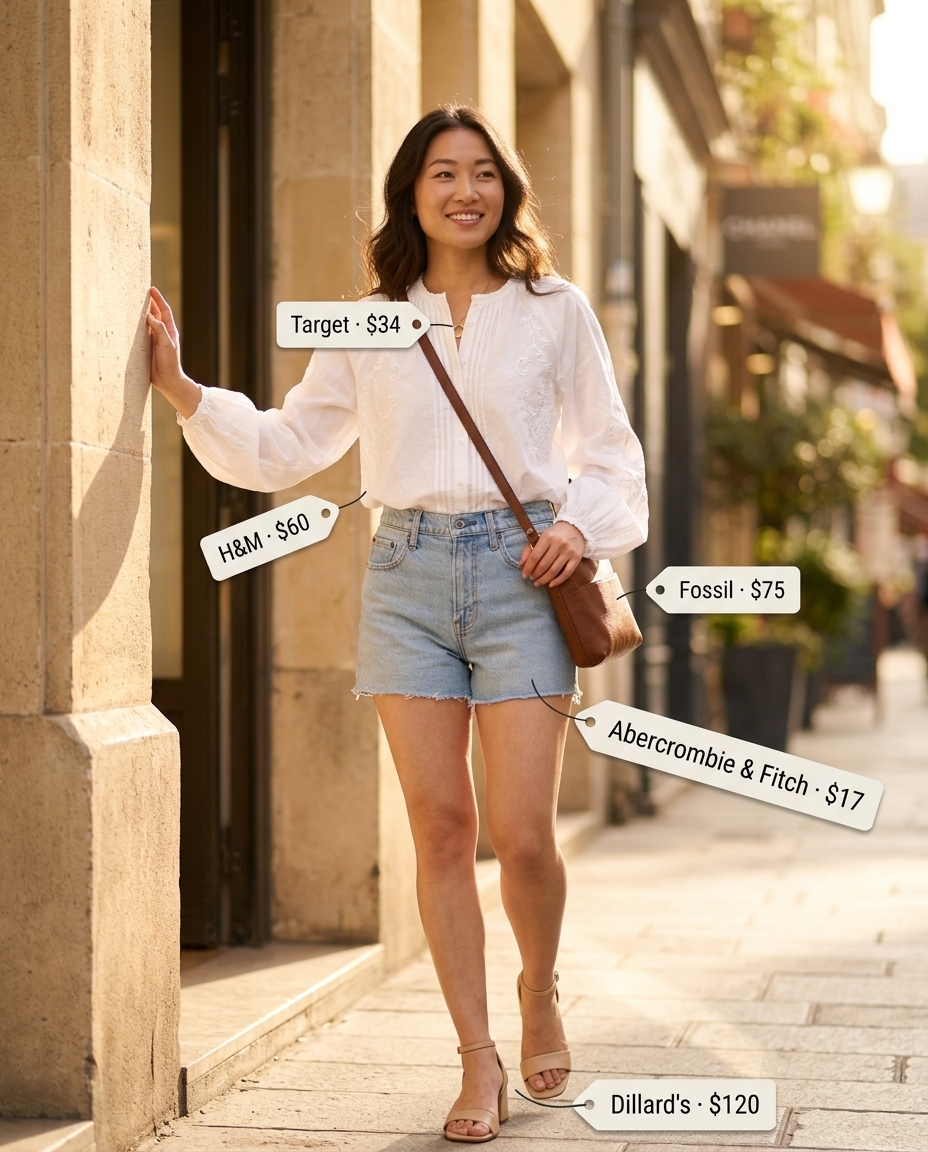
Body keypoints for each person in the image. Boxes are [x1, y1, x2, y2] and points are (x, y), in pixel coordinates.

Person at [148, 105, 647, 1143]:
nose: (464, 191)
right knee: (440, 830)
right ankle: (475, 1063)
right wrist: (187, 391)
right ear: (410, 194)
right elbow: (293, 441)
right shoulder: (371, 316)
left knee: (521, 837)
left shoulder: (552, 309)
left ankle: (538, 988)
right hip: (404, 576)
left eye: (481, 174)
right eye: (440, 174)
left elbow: (611, 452)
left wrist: (576, 527)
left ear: (505, 190)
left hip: (522, 577)